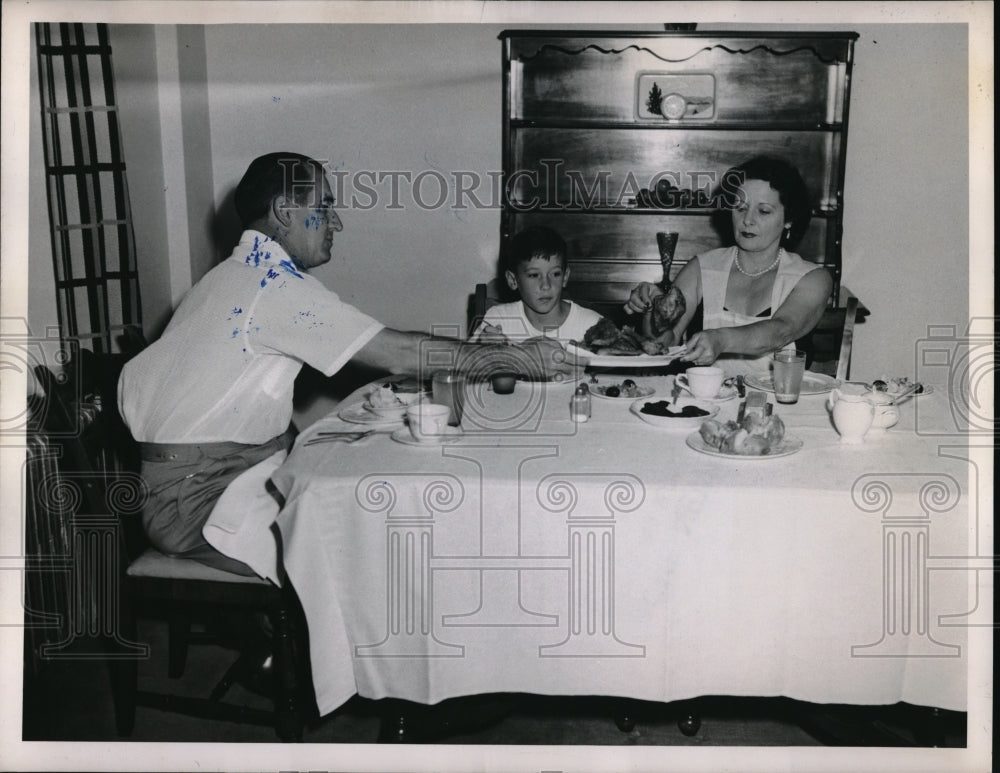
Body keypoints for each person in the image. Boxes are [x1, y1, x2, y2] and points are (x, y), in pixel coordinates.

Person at [118, 152, 580, 576]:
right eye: (325, 206)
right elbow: (399, 352)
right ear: (284, 212)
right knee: (365, 553)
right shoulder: (272, 286)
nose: (336, 220)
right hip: (197, 498)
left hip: (216, 477)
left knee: (369, 514)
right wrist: (516, 357)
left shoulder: (233, 275)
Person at [625, 155, 833, 376]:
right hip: (707, 405)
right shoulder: (701, 268)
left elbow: (780, 332)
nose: (747, 220)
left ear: (789, 218)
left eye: (763, 211)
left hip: (781, 405)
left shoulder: (812, 278)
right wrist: (653, 307)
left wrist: (721, 340)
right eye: (740, 207)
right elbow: (663, 343)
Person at [470, 226, 603, 344]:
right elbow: (466, 363)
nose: (546, 285)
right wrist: (483, 351)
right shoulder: (499, 319)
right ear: (513, 280)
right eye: (534, 275)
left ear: (565, 277)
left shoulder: (593, 324)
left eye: (555, 274)